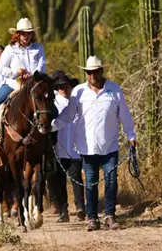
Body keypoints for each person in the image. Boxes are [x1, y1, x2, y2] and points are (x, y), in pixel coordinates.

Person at [52, 56, 137, 231]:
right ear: (85, 73)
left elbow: (125, 115)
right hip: (87, 146)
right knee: (90, 183)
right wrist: (51, 126)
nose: (91, 75)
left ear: (101, 71)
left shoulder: (114, 90)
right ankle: (92, 218)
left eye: (95, 72)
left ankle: (110, 215)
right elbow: (68, 115)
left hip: (110, 144)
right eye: (88, 72)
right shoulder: (78, 92)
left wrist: (131, 136)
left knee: (111, 181)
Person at [0, 17, 49, 161]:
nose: (26, 36)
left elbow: (42, 66)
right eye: (23, 33)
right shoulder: (10, 49)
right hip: (13, 85)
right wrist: (16, 73)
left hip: (33, 86)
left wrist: (33, 75)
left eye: (29, 33)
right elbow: (2, 68)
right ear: (18, 34)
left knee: (50, 107)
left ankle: (50, 147)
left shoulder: (38, 48)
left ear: (32, 34)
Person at [49, 71, 85, 223]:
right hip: (60, 147)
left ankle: (80, 207)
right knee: (60, 180)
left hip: (75, 147)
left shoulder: (77, 101)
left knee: (76, 177)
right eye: (60, 87)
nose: (63, 89)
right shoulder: (54, 104)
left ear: (70, 86)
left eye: (66, 86)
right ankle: (64, 211)